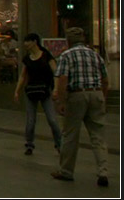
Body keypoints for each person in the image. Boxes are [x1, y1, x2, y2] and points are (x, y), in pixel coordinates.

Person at [51, 27, 110, 187]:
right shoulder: (95, 55)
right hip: (96, 93)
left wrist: (61, 101)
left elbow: (63, 79)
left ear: (68, 41)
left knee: (70, 135)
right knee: (98, 135)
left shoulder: (66, 55)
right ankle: (103, 171)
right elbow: (105, 79)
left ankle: (66, 171)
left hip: (76, 95)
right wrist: (102, 97)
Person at [14, 32, 61, 156]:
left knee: (52, 120)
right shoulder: (27, 59)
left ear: (35, 42)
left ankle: (59, 144)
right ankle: (29, 144)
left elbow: (56, 72)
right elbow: (23, 76)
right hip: (31, 90)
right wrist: (17, 91)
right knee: (30, 120)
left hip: (45, 90)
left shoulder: (46, 56)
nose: (25, 44)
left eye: (27, 41)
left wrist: (56, 88)